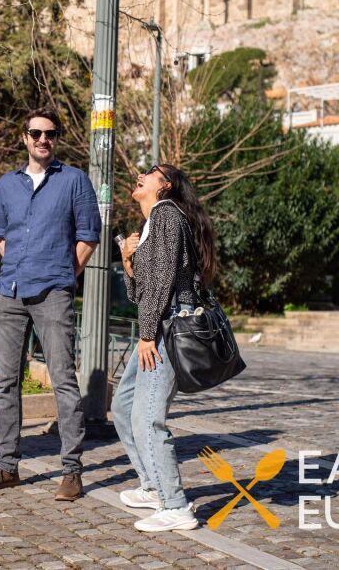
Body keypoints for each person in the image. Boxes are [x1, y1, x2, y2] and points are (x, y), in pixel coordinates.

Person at [0, 107, 101, 501]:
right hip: (9, 293)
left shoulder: (75, 180)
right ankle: (7, 466)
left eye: (50, 134)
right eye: (35, 133)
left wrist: (65, 273)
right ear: (24, 138)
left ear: (56, 139)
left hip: (53, 292)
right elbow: (3, 235)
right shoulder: (7, 185)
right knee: (6, 382)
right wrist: (16, 264)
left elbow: (88, 235)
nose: (43, 139)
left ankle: (72, 470)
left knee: (63, 379)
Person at [112, 164, 217, 532]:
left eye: (150, 171)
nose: (139, 173)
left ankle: (176, 506)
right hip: (157, 326)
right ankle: (153, 485)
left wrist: (145, 334)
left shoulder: (167, 215)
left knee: (147, 418)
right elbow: (141, 288)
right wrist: (128, 258)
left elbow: (161, 282)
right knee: (123, 407)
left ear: (165, 185)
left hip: (166, 329)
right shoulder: (154, 222)